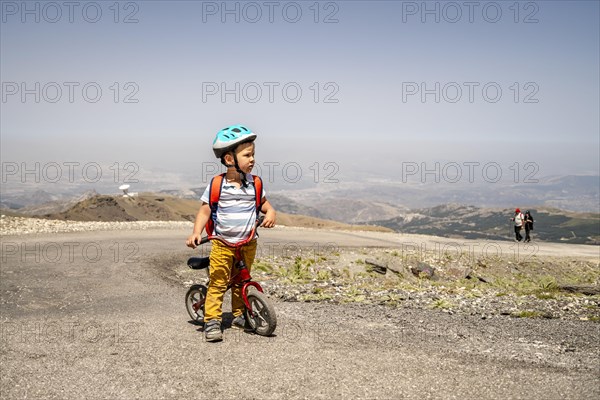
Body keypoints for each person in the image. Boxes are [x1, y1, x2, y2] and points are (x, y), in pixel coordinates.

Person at [186, 125, 276, 342]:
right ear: (229, 159)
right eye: (247, 155)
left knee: (240, 281)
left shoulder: (255, 183)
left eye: (253, 154)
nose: (252, 159)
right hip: (223, 244)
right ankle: (212, 321)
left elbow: (264, 205)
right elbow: (205, 210)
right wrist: (196, 232)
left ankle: (238, 315)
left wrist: (271, 213)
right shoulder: (218, 185)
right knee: (218, 282)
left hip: (247, 243)